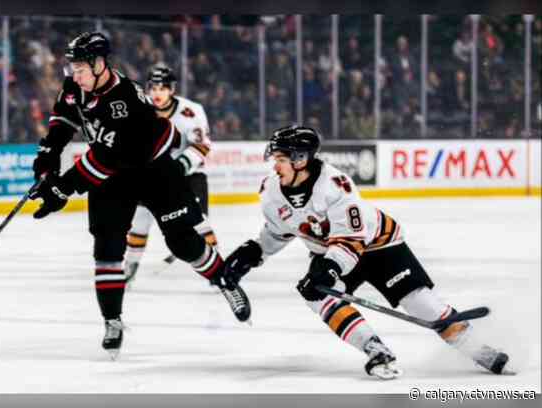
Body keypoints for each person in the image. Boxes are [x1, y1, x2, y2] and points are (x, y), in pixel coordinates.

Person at [222, 124, 512, 379]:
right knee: (316, 293)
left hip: (379, 246)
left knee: (421, 305)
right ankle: (375, 349)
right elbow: (281, 229)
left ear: (301, 160)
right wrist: (253, 253)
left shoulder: (336, 187)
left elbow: (351, 242)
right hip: (333, 251)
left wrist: (328, 267)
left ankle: (480, 351)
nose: (275, 166)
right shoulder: (271, 189)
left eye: (281, 159)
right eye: (275, 159)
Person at [29, 32, 250, 359]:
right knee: (106, 248)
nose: (73, 76)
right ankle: (112, 321)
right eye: (71, 69)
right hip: (113, 174)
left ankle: (225, 280)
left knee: (182, 242)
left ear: (99, 64)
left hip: (153, 169)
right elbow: (62, 123)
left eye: (79, 69)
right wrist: (46, 164)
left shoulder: (124, 99)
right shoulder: (76, 87)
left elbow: (109, 157)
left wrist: (63, 186)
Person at [124, 64, 217, 283]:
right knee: (139, 221)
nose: (157, 93)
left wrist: (179, 168)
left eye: (162, 88)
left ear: (171, 90)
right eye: (153, 88)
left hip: (188, 175)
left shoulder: (190, 111)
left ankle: (217, 269)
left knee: (199, 223)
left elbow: (202, 146)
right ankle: (130, 266)